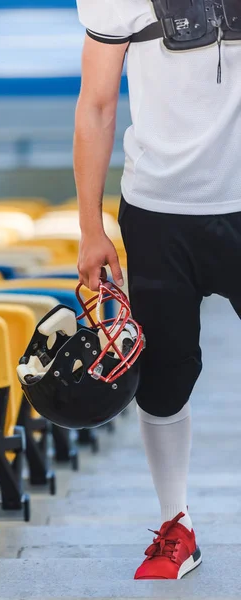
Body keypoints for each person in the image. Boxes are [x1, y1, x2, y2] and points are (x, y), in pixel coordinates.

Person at [74, 0, 241, 580]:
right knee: (164, 378)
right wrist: (91, 229)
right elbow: (96, 105)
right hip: (158, 211)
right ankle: (177, 524)